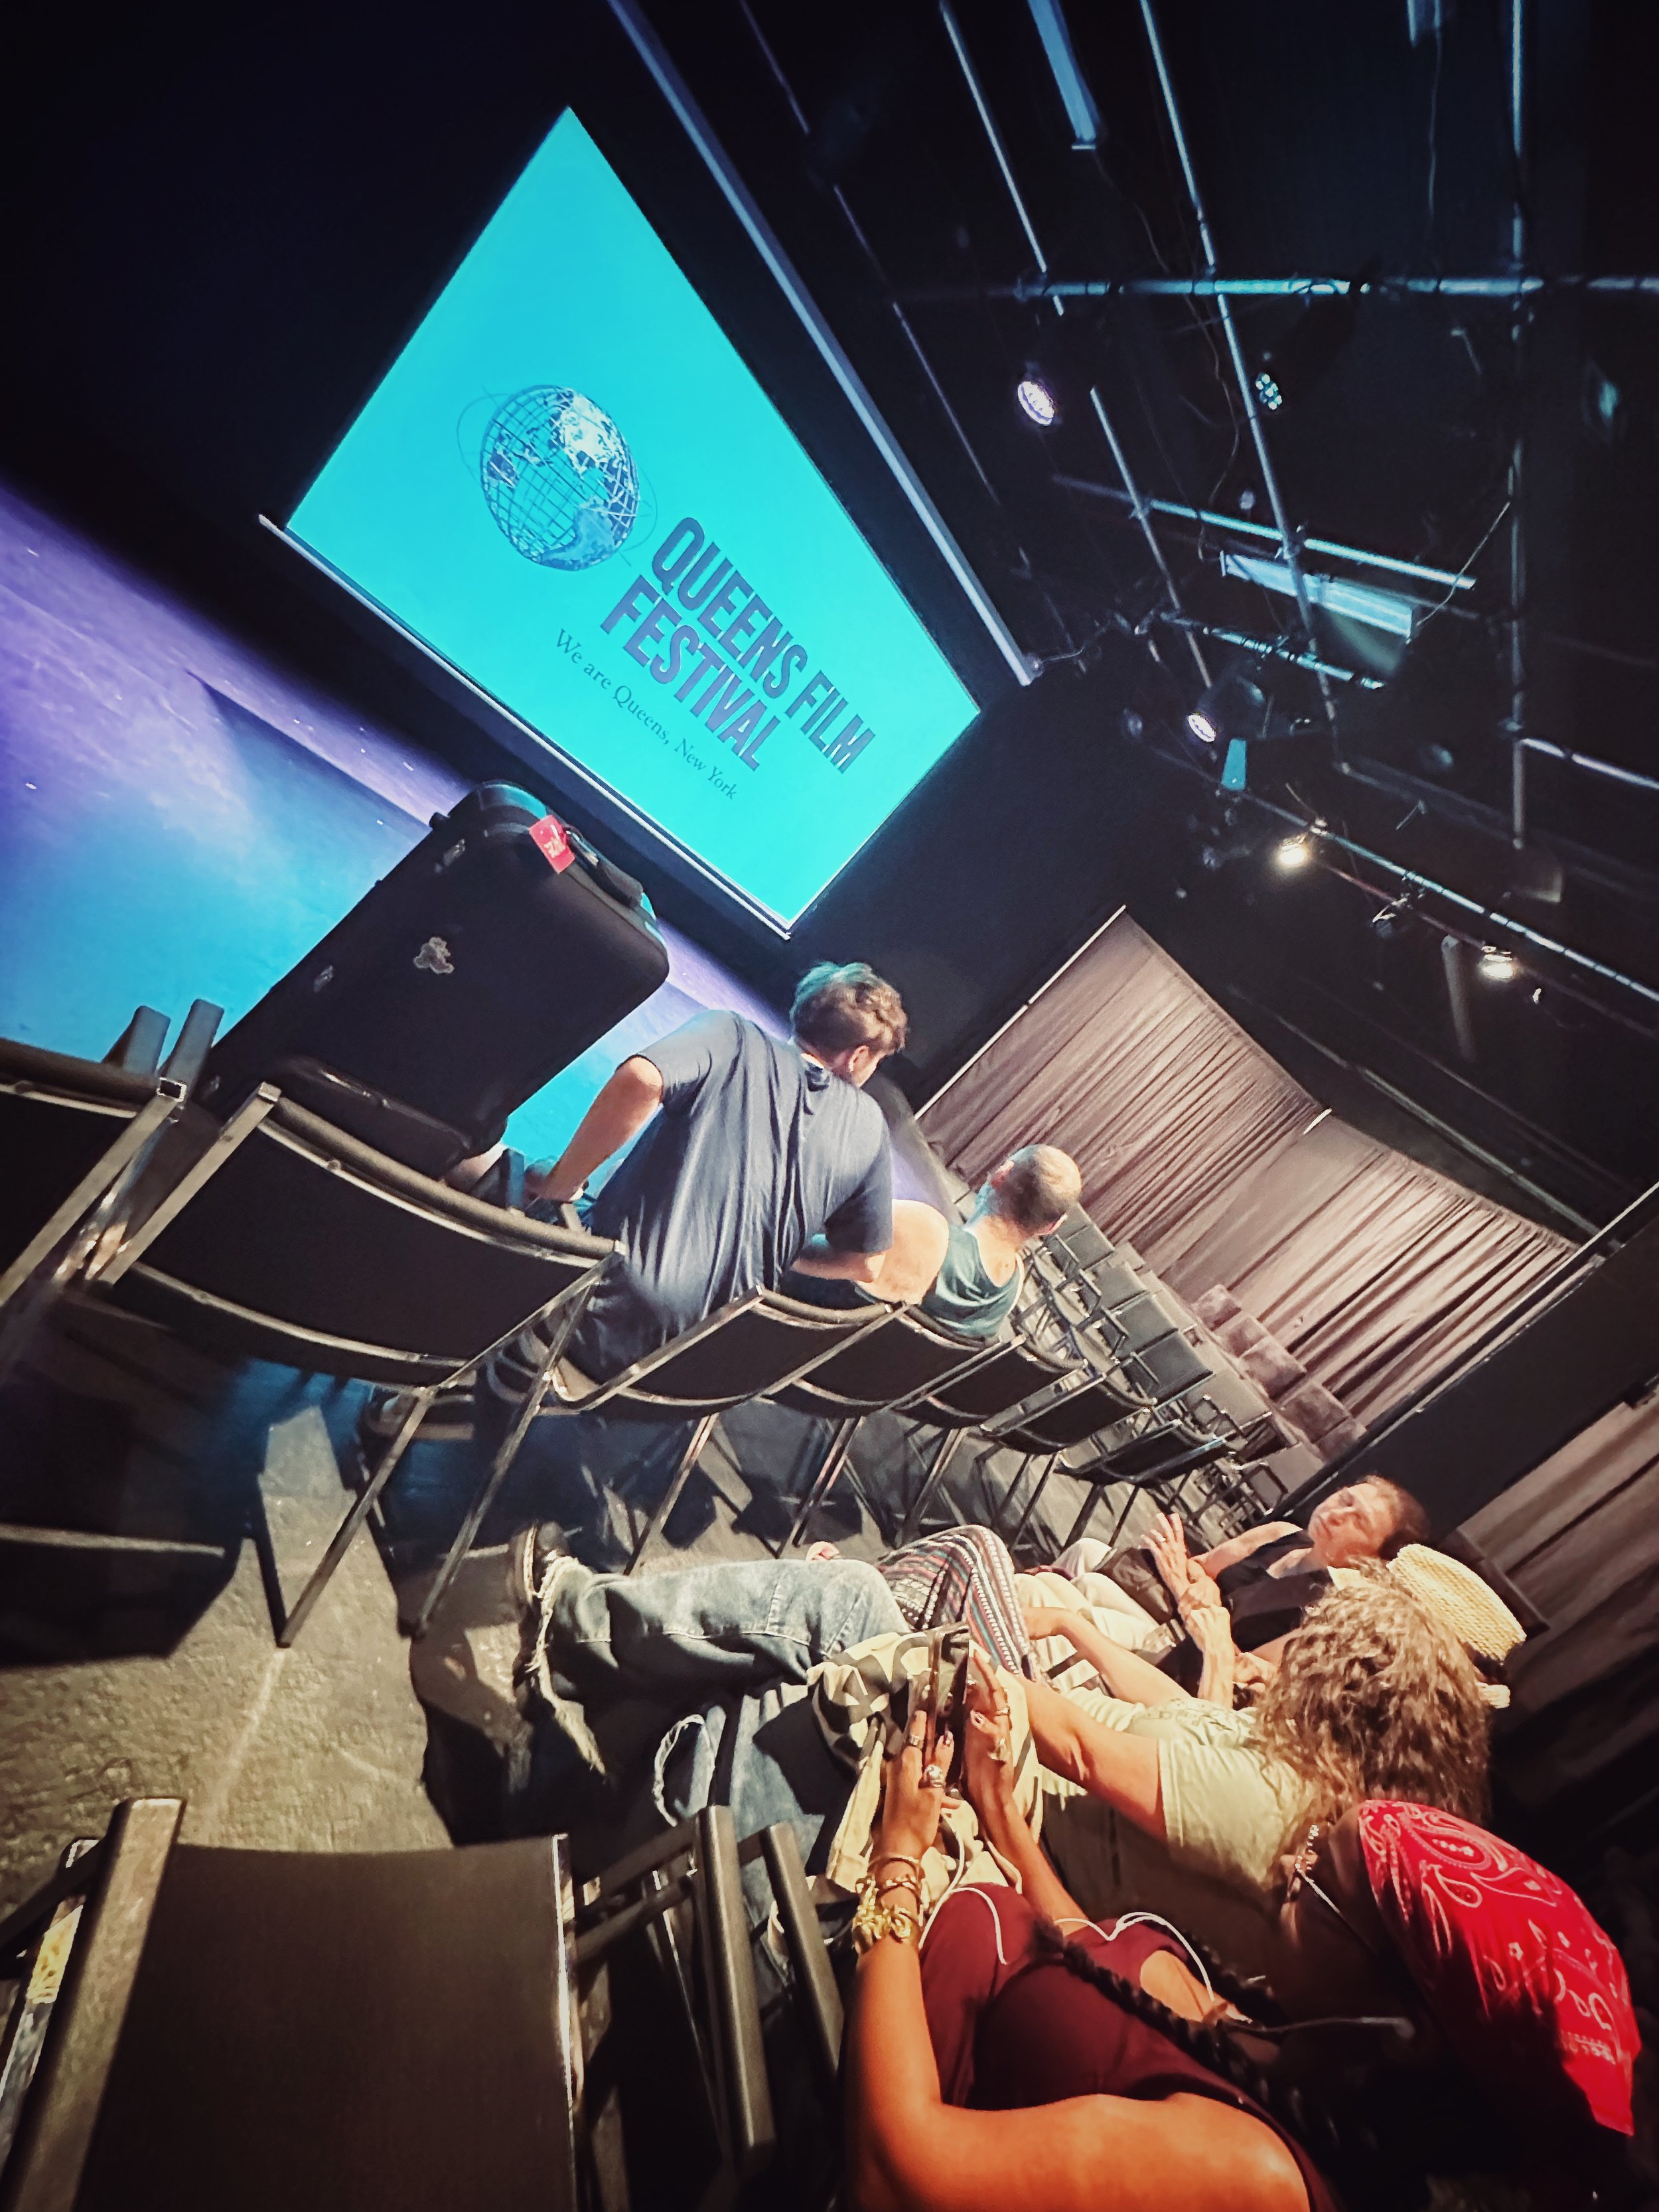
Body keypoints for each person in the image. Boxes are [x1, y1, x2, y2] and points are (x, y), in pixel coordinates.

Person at [845, 1667, 1636, 2212]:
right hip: (915, 1924)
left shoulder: (1255, 2177)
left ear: (1404, 2031)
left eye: (1322, 1876)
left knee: (836, 1614)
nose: (1293, 1863)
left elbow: (892, 2171)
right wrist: (1000, 1817)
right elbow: (1089, 1954)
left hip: (840, 2014)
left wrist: (899, 1859)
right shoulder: (1289, 2052)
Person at [510, 1544, 1489, 1978]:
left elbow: (1069, 1737)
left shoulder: (1270, 1799)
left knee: (848, 1601)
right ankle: (602, 1649)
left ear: (1352, 1675)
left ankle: (579, 1624)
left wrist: (984, 1654)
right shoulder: (1307, 1774)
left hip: (1008, 1797)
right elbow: (1180, 1717)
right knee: (858, 1611)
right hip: (1022, 1776)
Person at [1050, 1475, 1429, 1672]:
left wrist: (1194, 1595)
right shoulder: (1283, 1534)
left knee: (1084, 1587)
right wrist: (1193, 1578)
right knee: (1089, 1550)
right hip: (1171, 1613)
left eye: (1358, 1521)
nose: (1335, 1514)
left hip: (1184, 1654)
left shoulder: (1327, 1612)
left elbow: (1245, 1671)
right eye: (1345, 1499)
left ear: (1374, 1559)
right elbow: (1202, 1566)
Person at [786, 1145, 1084, 1341]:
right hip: (862, 1390)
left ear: (1001, 1174)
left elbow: (791, 1254)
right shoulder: (1011, 1287)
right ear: (1050, 1227)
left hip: (785, 1341)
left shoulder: (925, 1231)